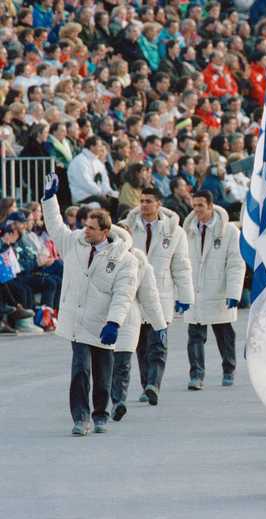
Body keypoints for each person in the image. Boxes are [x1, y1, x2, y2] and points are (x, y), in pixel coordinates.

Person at [41, 173, 138, 436]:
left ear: (105, 231)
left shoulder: (125, 260)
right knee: (80, 370)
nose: (86, 230)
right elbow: (56, 226)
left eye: (92, 228)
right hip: (77, 322)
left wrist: (115, 322)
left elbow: (123, 294)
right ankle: (81, 417)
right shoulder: (74, 243)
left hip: (104, 323)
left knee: (102, 373)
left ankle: (100, 414)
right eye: (85, 225)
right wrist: (50, 199)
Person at [123, 187, 194, 404]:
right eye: (141, 200)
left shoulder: (174, 231)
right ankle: (147, 385)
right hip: (134, 293)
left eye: (149, 201)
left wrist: (186, 296)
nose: (144, 205)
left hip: (161, 294)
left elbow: (181, 265)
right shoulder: (126, 228)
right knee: (141, 345)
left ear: (158, 204)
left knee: (158, 343)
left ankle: (154, 384)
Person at [183, 190, 245, 390]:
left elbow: (236, 263)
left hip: (219, 291)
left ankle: (228, 369)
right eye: (194, 206)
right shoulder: (188, 230)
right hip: (195, 291)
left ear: (210, 206)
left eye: (201, 206)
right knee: (195, 335)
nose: (197, 210)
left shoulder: (229, 232)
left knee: (224, 333)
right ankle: (196, 375)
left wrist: (234, 293)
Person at [110, 224, 167, 422]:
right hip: (100, 318)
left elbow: (150, 297)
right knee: (107, 364)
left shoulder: (139, 262)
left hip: (129, 318)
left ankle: (118, 401)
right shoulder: (99, 258)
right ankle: (111, 399)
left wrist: (160, 325)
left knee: (122, 362)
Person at [66, 136, 118, 210]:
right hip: (82, 196)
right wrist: (101, 193)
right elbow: (85, 182)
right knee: (105, 203)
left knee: (116, 200)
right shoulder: (79, 161)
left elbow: (104, 181)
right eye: (99, 146)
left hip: (97, 195)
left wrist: (109, 192)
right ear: (92, 147)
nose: (101, 148)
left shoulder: (98, 162)